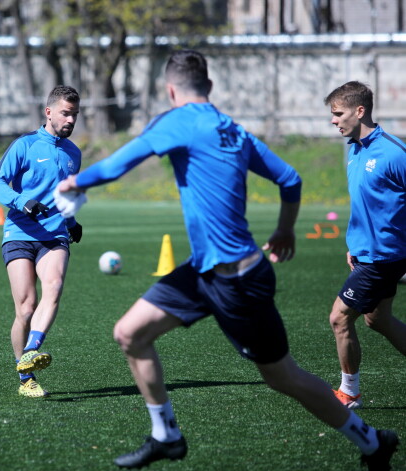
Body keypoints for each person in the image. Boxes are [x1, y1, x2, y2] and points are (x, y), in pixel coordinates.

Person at [56, 51, 398, 470]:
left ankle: (371, 441)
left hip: (239, 280)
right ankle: (166, 435)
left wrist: (76, 180)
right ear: (211, 88)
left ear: (170, 90)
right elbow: (290, 179)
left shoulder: (176, 121)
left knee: (283, 376)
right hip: (202, 271)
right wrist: (285, 229)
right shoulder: (234, 130)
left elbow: (119, 163)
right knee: (130, 333)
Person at [0, 85, 83, 398]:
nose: (70, 120)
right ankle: (25, 377)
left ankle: (31, 350)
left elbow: (65, 197)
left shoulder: (74, 154)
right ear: (49, 112)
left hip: (54, 235)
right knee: (26, 307)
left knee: (53, 285)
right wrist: (22, 202)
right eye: (65, 113)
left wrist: (71, 222)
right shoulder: (25, 145)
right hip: (18, 233)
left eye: (74, 115)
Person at [323, 81, 406, 410]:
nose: (333, 121)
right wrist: (354, 243)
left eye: (338, 113)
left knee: (340, 319)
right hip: (366, 254)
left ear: (360, 111)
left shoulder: (393, 153)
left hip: (383, 258)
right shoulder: (354, 150)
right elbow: (366, 205)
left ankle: (349, 392)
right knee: (379, 320)